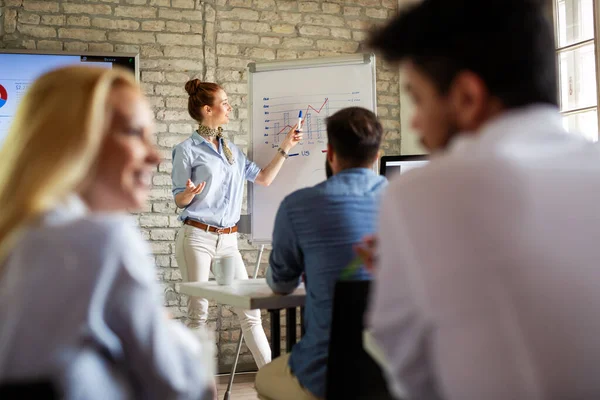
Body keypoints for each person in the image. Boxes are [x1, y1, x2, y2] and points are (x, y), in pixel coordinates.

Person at [364, 1, 600, 399]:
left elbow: (413, 376)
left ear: (467, 98)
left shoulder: (420, 194)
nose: (416, 123)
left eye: (418, 100)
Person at [0, 66, 214, 400]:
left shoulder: (19, 234)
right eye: (133, 133)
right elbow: (180, 388)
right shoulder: (104, 238)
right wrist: (171, 330)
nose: (155, 156)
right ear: (75, 141)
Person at [255, 107, 387, 400]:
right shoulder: (406, 202)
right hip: (395, 371)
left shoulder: (298, 206)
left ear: (330, 154)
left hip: (326, 373)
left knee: (265, 378)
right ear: (377, 156)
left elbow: (281, 284)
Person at [172, 79, 302, 368]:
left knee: (250, 311)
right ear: (208, 109)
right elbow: (179, 200)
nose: (230, 107)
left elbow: (264, 179)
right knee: (199, 313)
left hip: (228, 241)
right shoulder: (187, 150)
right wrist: (188, 194)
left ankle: (271, 382)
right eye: (225, 103)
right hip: (197, 237)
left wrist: (286, 146)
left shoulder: (232, 150)